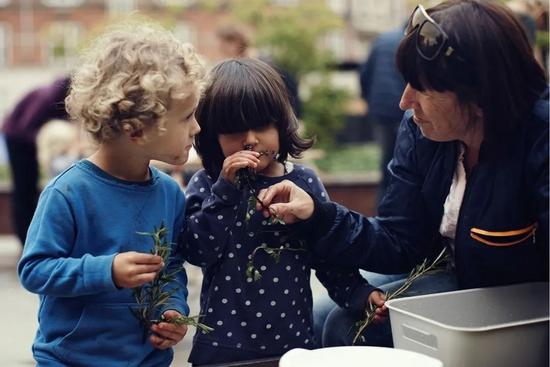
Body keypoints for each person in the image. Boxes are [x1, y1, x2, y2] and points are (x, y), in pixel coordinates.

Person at [256, 0, 548, 348]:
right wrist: (318, 216)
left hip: (516, 296)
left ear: (479, 94)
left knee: (348, 327)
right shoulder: (421, 130)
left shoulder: (540, 137)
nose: (404, 102)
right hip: (443, 265)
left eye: (421, 88)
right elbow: (399, 240)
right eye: (405, 83)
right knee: (316, 313)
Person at [17, 22, 206, 366]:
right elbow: (34, 269)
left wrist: (173, 310)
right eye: (187, 117)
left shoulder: (169, 194)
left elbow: (171, 266)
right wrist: (106, 271)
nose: (197, 128)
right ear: (137, 129)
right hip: (71, 359)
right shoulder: (68, 192)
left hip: (147, 359)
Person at [180, 58, 377, 365]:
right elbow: (196, 250)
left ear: (281, 125)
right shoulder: (207, 183)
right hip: (223, 346)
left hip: (293, 343)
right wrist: (226, 191)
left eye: (261, 125)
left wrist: (359, 293)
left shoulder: (302, 181)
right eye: (233, 130)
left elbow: (326, 254)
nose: (250, 139)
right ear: (211, 136)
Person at [2, 76, 70, 246]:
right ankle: (24, 240)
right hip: (17, 139)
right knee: (23, 189)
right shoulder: (46, 98)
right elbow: (26, 127)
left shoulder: (55, 99)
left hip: (24, 140)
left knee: (30, 189)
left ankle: (29, 239)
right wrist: (45, 143)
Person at [359, 28, 406, 202]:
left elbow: (364, 73)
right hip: (403, 112)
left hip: (380, 111)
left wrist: (367, 99)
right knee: (405, 163)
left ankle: (382, 210)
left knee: (386, 163)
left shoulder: (381, 40)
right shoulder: (410, 42)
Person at [216, 24, 302, 118]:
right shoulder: (245, 61)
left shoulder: (256, 62)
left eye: (223, 44)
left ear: (235, 42)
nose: (221, 48)